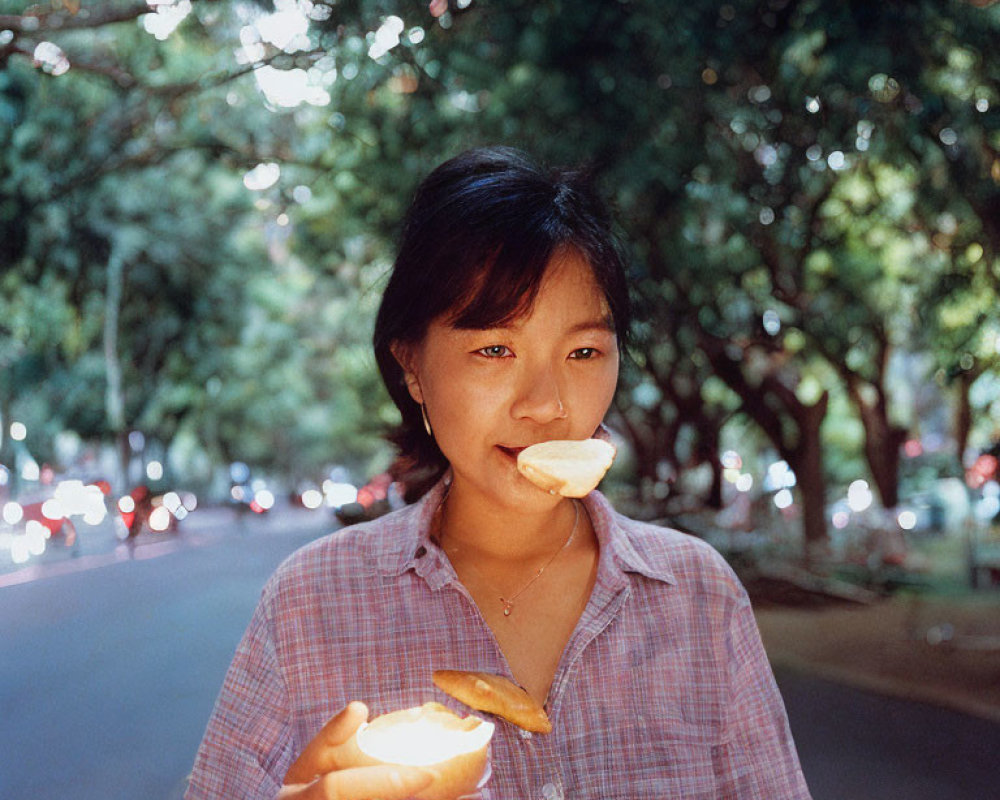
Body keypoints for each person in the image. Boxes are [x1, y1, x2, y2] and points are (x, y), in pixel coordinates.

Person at [186, 147, 812, 800]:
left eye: (583, 350)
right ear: (412, 368)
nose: (547, 404)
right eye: (494, 348)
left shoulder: (699, 597)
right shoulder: (309, 604)